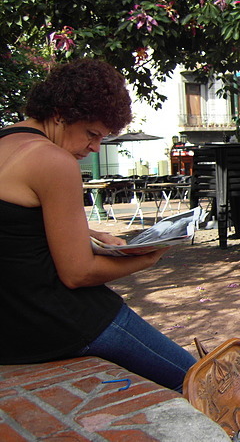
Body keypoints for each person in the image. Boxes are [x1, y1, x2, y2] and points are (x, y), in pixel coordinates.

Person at [0, 59, 196, 391]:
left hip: (11, 328)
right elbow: (77, 273)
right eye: (92, 134)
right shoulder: (53, 160)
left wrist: (89, 232)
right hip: (58, 320)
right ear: (61, 113)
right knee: (199, 380)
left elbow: (16, 226)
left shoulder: (7, 141)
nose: (94, 148)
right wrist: (143, 259)